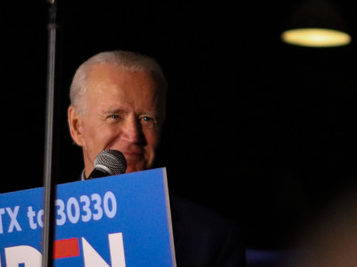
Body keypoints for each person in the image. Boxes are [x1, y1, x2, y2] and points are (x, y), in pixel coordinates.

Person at [67, 50, 247, 267]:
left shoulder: (211, 238)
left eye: (146, 118)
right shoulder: (36, 227)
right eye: (114, 116)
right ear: (77, 127)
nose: (133, 134)